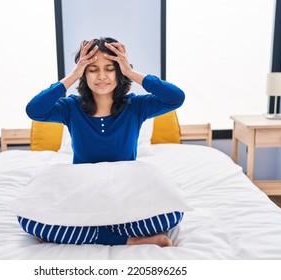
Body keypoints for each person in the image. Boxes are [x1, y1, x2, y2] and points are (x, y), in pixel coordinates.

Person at [25, 37, 185, 247]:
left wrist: (131, 72)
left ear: (119, 72)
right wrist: (73, 75)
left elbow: (176, 98)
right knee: (29, 220)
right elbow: (34, 110)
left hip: (125, 194)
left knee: (172, 213)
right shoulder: (71, 107)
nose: (101, 76)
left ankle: (87, 231)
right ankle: (128, 240)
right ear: (84, 73)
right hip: (83, 194)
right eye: (92, 69)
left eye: (110, 68)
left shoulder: (135, 106)